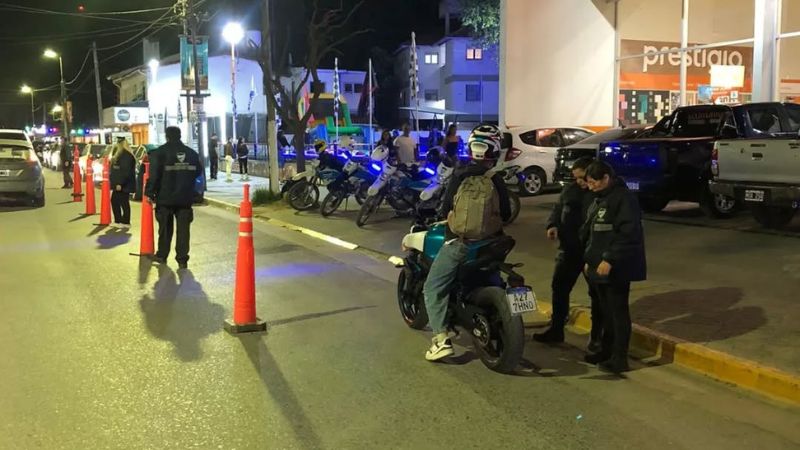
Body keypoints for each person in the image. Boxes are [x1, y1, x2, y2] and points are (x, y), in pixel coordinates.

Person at [422, 124, 512, 361]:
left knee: (432, 287)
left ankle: (441, 340)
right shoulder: (496, 179)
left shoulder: (459, 174)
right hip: (493, 244)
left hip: (461, 244)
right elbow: (506, 212)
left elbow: (445, 209)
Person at [581, 160, 646, 373]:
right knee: (605, 312)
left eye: (594, 182)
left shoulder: (623, 199)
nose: (590, 187)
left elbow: (627, 234)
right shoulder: (600, 198)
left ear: (606, 178)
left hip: (616, 267)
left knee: (618, 313)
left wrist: (609, 259)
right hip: (597, 266)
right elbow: (594, 234)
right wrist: (589, 260)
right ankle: (606, 351)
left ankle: (619, 357)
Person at [533, 157, 602, 352]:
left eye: (582, 177)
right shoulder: (571, 190)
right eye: (576, 178)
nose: (579, 182)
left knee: (597, 294)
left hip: (590, 252)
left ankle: (597, 336)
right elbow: (558, 209)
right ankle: (556, 329)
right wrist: (552, 225)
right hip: (569, 249)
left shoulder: (599, 194)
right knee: (560, 288)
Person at [145, 126, 203, 269]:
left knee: (165, 229)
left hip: (165, 198)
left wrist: (150, 192)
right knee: (183, 230)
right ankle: (182, 260)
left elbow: (154, 176)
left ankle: (162, 255)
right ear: (180, 135)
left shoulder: (159, 153)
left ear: (167, 136)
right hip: (185, 198)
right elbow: (198, 172)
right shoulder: (191, 154)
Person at [109, 138, 136, 229]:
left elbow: (125, 171)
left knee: (119, 202)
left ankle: (122, 221)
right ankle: (122, 221)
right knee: (121, 202)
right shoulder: (121, 154)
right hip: (121, 184)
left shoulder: (125, 155)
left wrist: (119, 183)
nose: (116, 144)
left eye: (118, 142)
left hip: (122, 184)